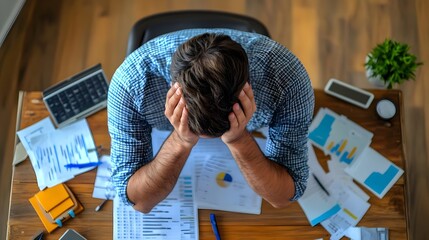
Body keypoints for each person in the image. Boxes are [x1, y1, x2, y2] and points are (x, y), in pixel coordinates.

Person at [108, 29, 314, 213]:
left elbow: (284, 197)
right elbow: (138, 201)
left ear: (248, 89)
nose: (205, 139)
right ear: (172, 88)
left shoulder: (288, 78)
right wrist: (181, 140)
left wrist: (238, 139)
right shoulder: (130, 84)